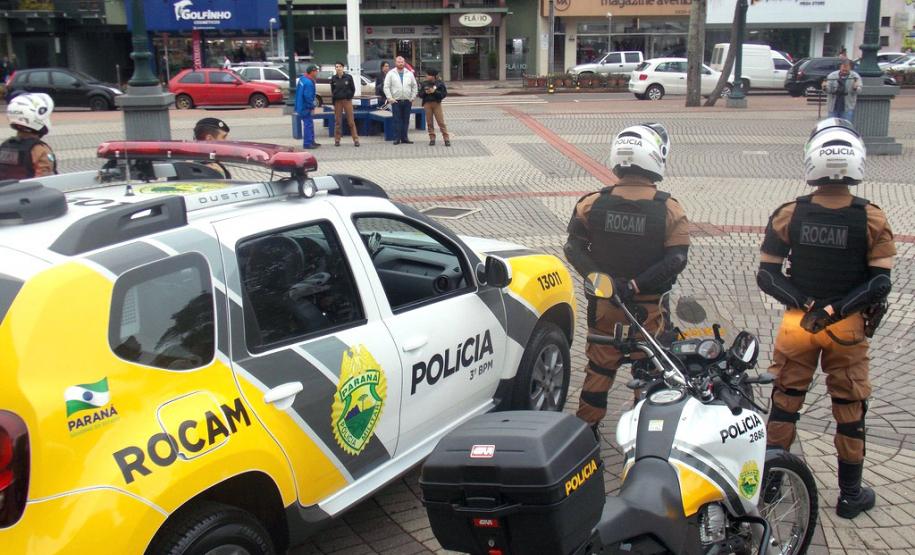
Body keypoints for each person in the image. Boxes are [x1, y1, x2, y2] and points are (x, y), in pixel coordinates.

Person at [757, 119, 894, 520]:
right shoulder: (871, 217)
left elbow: (767, 275)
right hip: (847, 329)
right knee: (850, 410)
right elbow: (879, 285)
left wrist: (807, 303)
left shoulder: (789, 213)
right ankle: (850, 495)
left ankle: (772, 483)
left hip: (798, 324)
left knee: (784, 404)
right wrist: (835, 310)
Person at [564, 123, 690, 432]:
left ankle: (586, 434)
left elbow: (573, 248)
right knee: (647, 372)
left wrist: (604, 280)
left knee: (597, 370)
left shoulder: (591, 203)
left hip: (605, 306)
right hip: (648, 310)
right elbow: (676, 259)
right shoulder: (670, 209)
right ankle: (645, 437)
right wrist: (635, 285)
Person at [0, 93, 57, 180]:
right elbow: (46, 180)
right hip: (28, 192)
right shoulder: (40, 149)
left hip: (6, 192)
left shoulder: (5, 145)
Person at [383, 56, 418, 145]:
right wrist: (390, 98)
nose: (400, 63)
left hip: (407, 101)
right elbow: (386, 87)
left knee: (406, 120)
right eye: (398, 62)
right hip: (396, 101)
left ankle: (405, 138)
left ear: (404, 62)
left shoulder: (409, 73)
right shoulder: (391, 73)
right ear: (395, 63)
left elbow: (414, 86)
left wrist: (413, 97)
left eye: (402, 62)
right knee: (397, 120)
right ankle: (397, 138)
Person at [418, 68, 450, 147]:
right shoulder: (424, 83)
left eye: (428, 75)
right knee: (429, 122)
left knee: (441, 122)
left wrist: (434, 91)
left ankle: (446, 139)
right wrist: (425, 93)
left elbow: (443, 94)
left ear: (433, 76)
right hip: (427, 104)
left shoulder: (440, 84)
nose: (426, 76)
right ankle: (432, 138)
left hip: (436, 104)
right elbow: (420, 94)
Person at [330, 62, 360, 147]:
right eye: (336, 67)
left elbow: (353, 89)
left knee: (351, 121)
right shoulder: (333, 79)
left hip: (347, 101)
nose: (338, 68)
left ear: (343, 68)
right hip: (337, 102)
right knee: (338, 122)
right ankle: (337, 140)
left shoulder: (348, 77)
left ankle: (356, 139)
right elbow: (332, 90)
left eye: (340, 66)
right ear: (335, 69)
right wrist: (334, 101)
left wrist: (349, 96)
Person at [294, 65, 321, 149]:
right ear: (312, 72)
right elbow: (308, 97)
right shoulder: (309, 83)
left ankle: (311, 141)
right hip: (305, 107)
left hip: (300, 105)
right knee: (308, 124)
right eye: (316, 71)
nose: (317, 72)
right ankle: (307, 143)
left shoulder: (303, 79)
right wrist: (312, 106)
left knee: (309, 124)